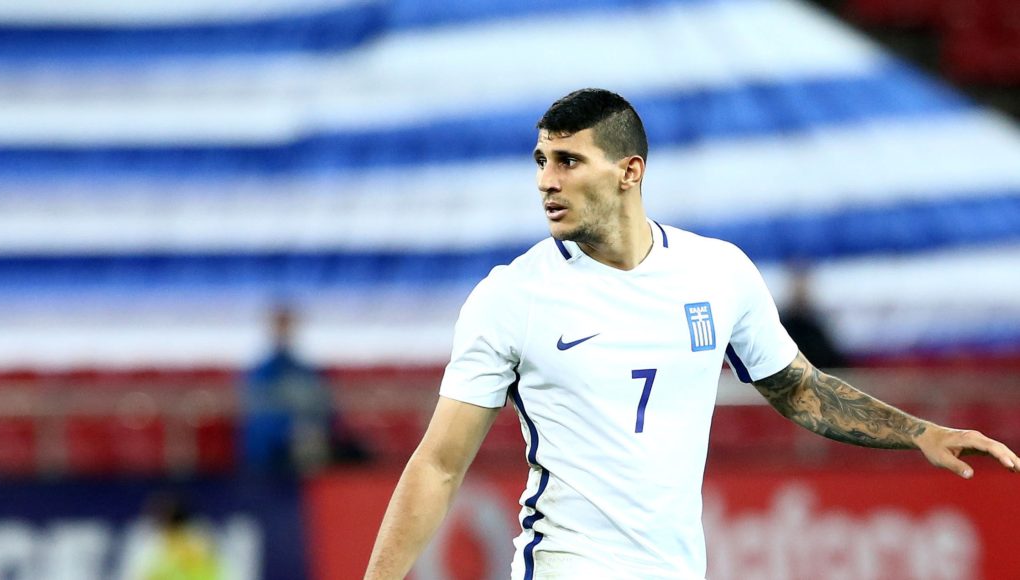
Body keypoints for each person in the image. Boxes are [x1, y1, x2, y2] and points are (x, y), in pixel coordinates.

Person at [363, 89, 1020, 580]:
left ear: (630, 171)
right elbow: (439, 465)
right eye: (541, 160)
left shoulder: (717, 272)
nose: (546, 180)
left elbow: (799, 389)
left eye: (568, 160)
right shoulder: (512, 297)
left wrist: (919, 432)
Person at [242, 306, 367, 474]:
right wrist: (291, 431)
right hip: (276, 450)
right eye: (279, 325)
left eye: (287, 325)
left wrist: (316, 429)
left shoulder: (306, 371)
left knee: (357, 451)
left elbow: (325, 408)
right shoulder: (260, 373)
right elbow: (259, 418)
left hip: (311, 439)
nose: (284, 331)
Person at [778, 265, 849, 369]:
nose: (800, 293)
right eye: (797, 289)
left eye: (803, 289)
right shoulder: (780, 325)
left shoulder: (817, 327)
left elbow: (832, 361)